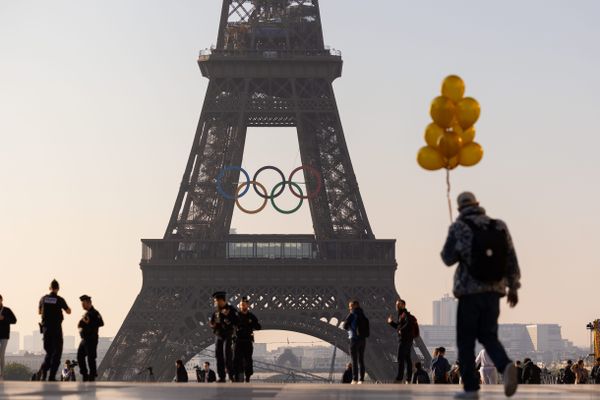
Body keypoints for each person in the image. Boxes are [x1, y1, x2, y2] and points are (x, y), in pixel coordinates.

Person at [441, 192, 521, 399]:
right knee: (488, 336)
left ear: (460, 208)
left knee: (466, 341)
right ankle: (505, 365)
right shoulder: (499, 226)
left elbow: (447, 258)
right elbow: (511, 259)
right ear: (478, 204)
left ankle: (470, 388)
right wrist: (513, 288)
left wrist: (458, 245)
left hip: (469, 293)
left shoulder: (459, 227)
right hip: (494, 292)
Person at [37, 279, 71, 381]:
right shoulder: (60, 300)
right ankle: (51, 376)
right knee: (57, 354)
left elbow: (39, 311)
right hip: (56, 329)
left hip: (46, 329)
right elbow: (68, 311)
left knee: (49, 353)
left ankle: (43, 370)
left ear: (49, 288)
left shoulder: (43, 299)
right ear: (58, 289)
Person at [387, 298, 418, 384]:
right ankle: (408, 378)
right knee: (407, 359)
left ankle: (399, 378)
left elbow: (407, 324)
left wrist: (401, 330)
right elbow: (398, 326)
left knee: (401, 358)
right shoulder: (401, 315)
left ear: (403, 305)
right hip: (407, 339)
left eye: (399, 304)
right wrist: (391, 323)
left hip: (404, 340)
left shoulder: (405, 315)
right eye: (396, 304)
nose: (397, 306)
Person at [209, 291, 238, 382]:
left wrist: (227, 317)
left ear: (222, 300)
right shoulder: (216, 312)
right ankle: (221, 377)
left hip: (227, 335)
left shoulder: (231, 310)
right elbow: (213, 322)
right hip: (218, 335)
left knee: (227, 355)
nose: (215, 303)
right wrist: (213, 325)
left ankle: (231, 375)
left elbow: (236, 322)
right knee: (218, 356)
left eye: (216, 301)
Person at [233, 296, 261, 382]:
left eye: (244, 304)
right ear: (239, 305)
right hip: (238, 341)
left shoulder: (251, 316)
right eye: (242, 304)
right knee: (236, 359)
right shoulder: (236, 316)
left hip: (247, 341)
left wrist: (252, 323)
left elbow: (258, 327)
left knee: (248, 360)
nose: (243, 306)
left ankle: (248, 376)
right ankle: (237, 376)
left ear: (248, 305)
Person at [77, 295, 104, 382]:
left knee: (90, 358)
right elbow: (80, 324)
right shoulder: (86, 313)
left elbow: (101, 323)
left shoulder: (95, 313)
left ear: (88, 303)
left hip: (91, 339)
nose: (82, 306)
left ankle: (92, 375)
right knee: (80, 356)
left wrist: (90, 322)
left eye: (83, 304)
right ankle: (85, 374)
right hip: (84, 339)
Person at [343, 299, 369, 384]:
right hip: (363, 340)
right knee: (361, 360)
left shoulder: (352, 314)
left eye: (350, 306)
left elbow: (344, 325)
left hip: (354, 339)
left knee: (354, 360)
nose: (349, 308)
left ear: (354, 306)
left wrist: (351, 329)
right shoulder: (363, 315)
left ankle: (355, 379)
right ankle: (361, 379)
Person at [0, 294, 17, 381]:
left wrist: (4, 319)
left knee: (1, 354)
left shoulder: (6, 310)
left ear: (1, 300)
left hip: (4, 335)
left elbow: (14, 320)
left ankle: (1, 374)